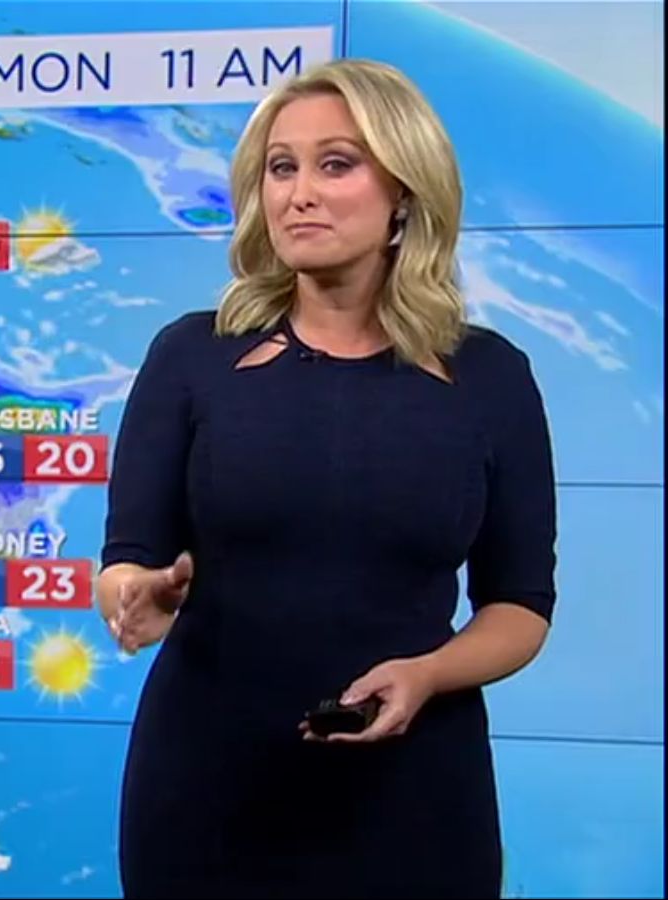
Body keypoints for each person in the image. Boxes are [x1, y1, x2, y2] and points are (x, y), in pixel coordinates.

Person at [97, 58, 558, 899]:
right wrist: (138, 595)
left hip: (413, 796)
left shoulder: (490, 378)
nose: (298, 194)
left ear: (404, 193)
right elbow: (128, 559)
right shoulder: (191, 358)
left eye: (335, 165)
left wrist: (427, 674)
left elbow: (520, 607)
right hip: (207, 789)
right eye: (282, 168)